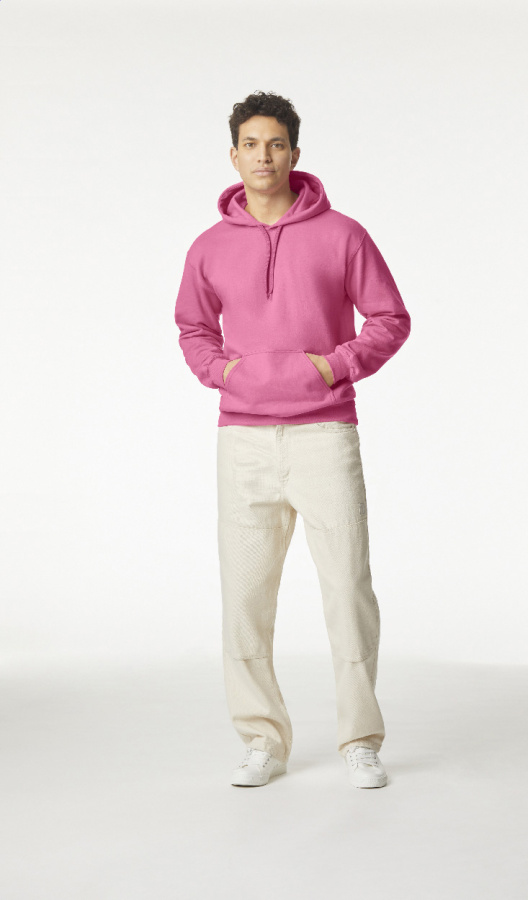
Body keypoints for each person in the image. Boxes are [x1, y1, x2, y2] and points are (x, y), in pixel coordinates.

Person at [174, 90, 411, 788]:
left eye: (276, 144)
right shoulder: (209, 247)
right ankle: (262, 740)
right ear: (234, 155)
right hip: (243, 440)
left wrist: (332, 366)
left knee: (347, 589)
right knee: (245, 597)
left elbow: (389, 318)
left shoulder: (342, 234)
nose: (264, 156)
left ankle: (359, 739)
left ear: (295, 154)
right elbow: (192, 327)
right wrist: (223, 373)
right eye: (251, 144)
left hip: (324, 433)